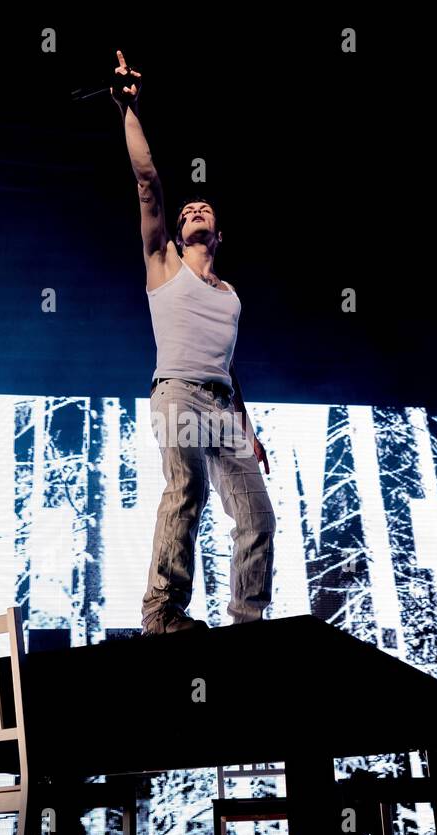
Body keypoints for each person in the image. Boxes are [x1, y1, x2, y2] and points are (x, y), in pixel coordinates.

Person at [109, 50, 275, 635]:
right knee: (187, 493)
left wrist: (250, 430)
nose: (195, 208)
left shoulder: (231, 295)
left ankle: (248, 620)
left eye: (205, 208)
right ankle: (163, 613)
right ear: (177, 235)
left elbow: (230, 367)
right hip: (177, 394)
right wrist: (129, 109)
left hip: (225, 406)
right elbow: (148, 182)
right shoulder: (164, 266)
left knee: (256, 516)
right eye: (188, 211)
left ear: (219, 234)